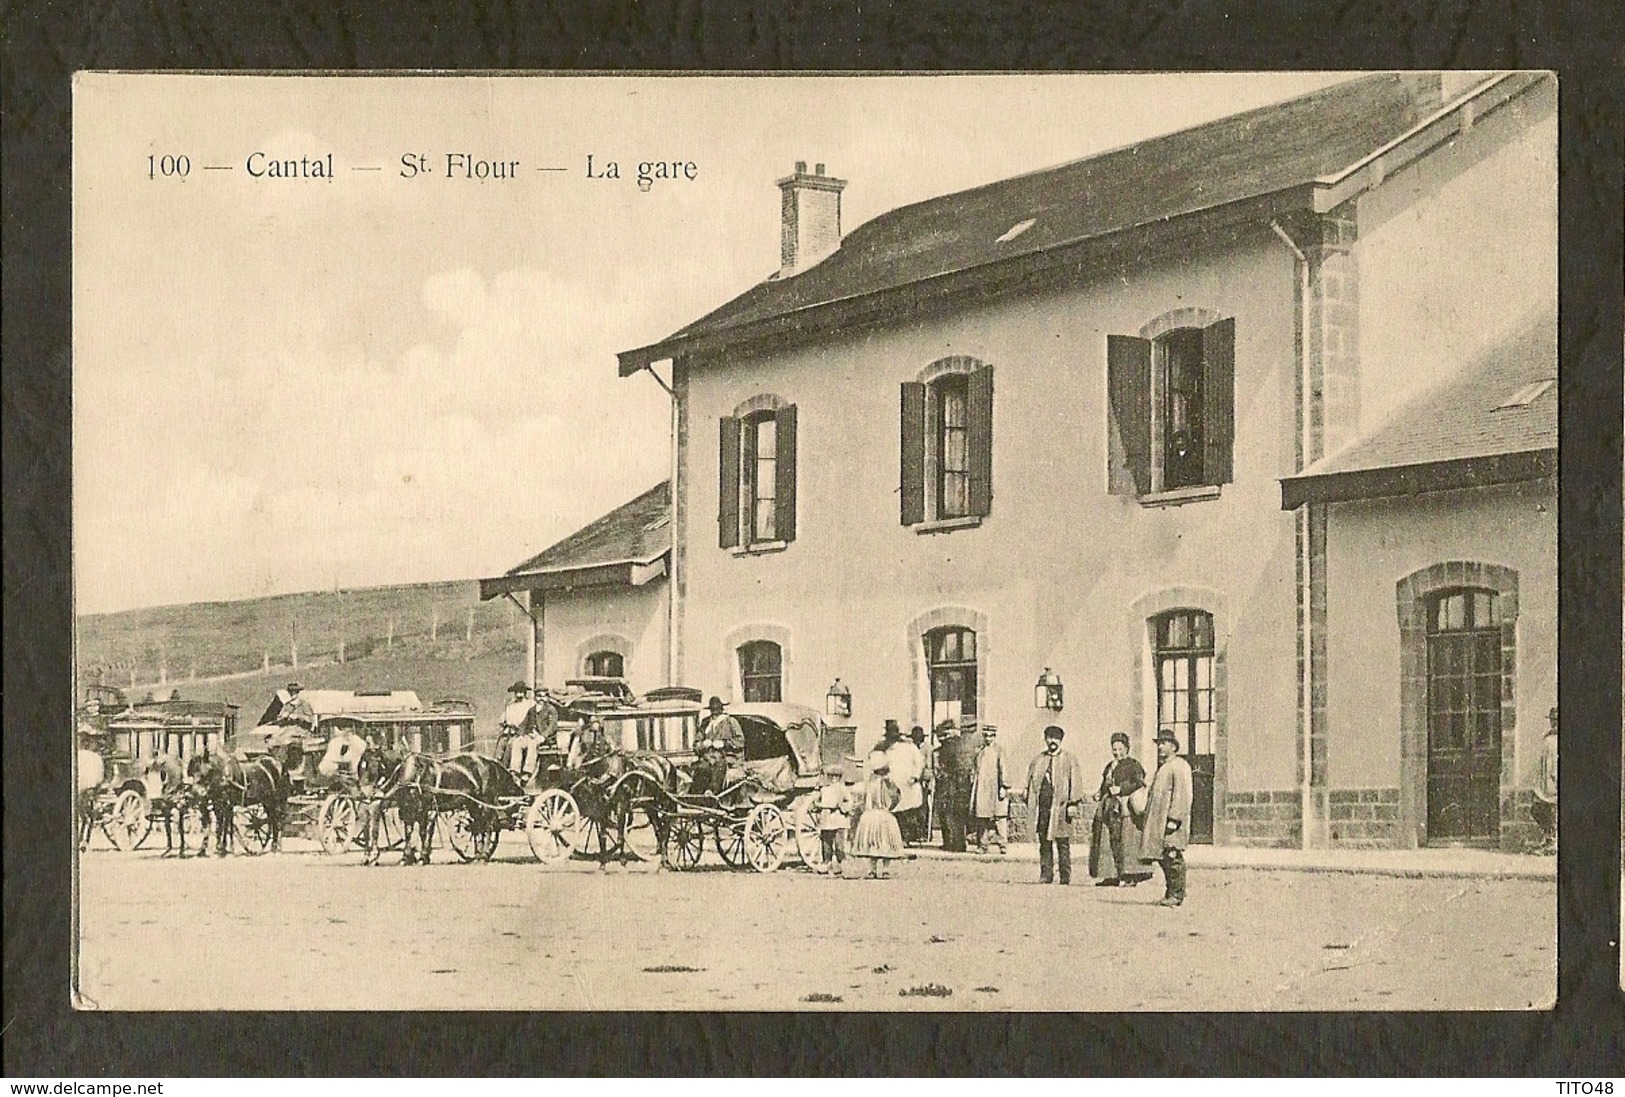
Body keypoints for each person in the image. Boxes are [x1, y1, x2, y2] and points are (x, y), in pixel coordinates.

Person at [1018, 725, 1086, 884]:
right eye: (1049, 738)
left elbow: (1076, 782)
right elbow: (1030, 780)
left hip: (1061, 807)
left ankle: (1065, 875)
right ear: (1045, 739)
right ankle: (1046, 874)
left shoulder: (1069, 759)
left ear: (1061, 740)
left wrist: (1073, 803)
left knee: (1062, 842)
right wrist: (1027, 792)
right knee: (1044, 841)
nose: (1052, 741)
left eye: (1055, 738)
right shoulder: (1039, 759)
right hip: (1043, 807)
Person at [1139, 727, 1194, 907]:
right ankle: (1171, 892)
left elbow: (1182, 795)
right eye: (1159, 744)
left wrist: (1174, 819)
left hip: (1171, 822)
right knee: (1164, 857)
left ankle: (1177, 894)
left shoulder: (1179, 766)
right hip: (1159, 820)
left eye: (1164, 743)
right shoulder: (1164, 767)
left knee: (1173, 855)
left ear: (1174, 746)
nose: (1160, 747)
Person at [1090, 731, 1151, 887]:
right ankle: (1110, 875)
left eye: (1120, 748)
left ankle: (1131, 876)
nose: (1116, 752)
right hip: (1108, 808)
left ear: (1126, 748)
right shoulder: (1110, 766)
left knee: (1126, 842)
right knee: (1106, 841)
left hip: (1125, 809)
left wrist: (1122, 789)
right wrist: (1099, 793)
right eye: (1114, 748)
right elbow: (1105, 785)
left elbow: (1139, 783)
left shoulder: (1133, 764)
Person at [850, 750, 905, 878]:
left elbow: (863, 797)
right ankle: (882, 869)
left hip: (873, 814)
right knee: (882, 841)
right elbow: (897, 798)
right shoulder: (887, 783)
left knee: (873, 841)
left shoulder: (875, 782)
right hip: (882, 814)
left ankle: (875, 870)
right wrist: (890, 808)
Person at [969, 723, 1009, 854]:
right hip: (981, 788)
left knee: (1000, 818)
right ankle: (982, 845)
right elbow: (974, 769)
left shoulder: (999, 751)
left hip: (995, 787)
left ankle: (1003, 844)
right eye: (986, 736)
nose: (988, 739)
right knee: (982, 818)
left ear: (994, 736)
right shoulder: (979, 751)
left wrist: (1004, 786)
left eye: (991, 736)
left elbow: (1004, 768)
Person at [884, 719, 925, 844]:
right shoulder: (886, 749)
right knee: (894, 812)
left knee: (907, 812)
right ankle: (895, 839)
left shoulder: (910, 747)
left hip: (908, 784)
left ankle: (906, 838)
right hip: (892, 785)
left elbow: (919, 763)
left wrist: (915, 776)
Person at [498, 681, 545, 783]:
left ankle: (514, 772)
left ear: (525, 693)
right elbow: (504, 719)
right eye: (517, 692)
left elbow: (531, 721)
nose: (519, 694)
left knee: (512, 745)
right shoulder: (510, 705)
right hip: (511, 732)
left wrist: (522, 731)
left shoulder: (530, 704)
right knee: (501, 746)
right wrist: (503, 724)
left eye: (521, 692)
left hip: (524, 732)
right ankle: (500, 768)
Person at [814, 763, 854, 875]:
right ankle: (827, 864)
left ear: (839, 777)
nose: (833, 779)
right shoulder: (824, 790)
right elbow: (817, 801)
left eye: (836, 776)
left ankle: (841, 865)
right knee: (826, 843)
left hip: (839, 819)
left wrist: (843, 807)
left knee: (839, 843)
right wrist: (817, 805)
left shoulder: (843, 789)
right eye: (831, 776)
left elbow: (850, 801)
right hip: (826, 819)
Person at [1531, 705, 1557, 854]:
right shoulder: (1548, 739)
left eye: (1555, 721)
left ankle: (1552, 842)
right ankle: (1549, 839)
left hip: (1552, 784)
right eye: (1552, 720)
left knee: (1548, 811)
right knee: (1537, 809)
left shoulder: (1554, 741)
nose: (1553, 724)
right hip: (1545, 784)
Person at [911, 726, 934, 837]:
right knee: (913, 807)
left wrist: (927, 780)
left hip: (922, 781)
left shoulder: (928, 748)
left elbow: (929, 766)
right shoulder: (911, 748)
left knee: (923, 806)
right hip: (912, 781)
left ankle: (924, 832)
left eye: (918, 738)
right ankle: (914, 832)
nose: (916, 740)